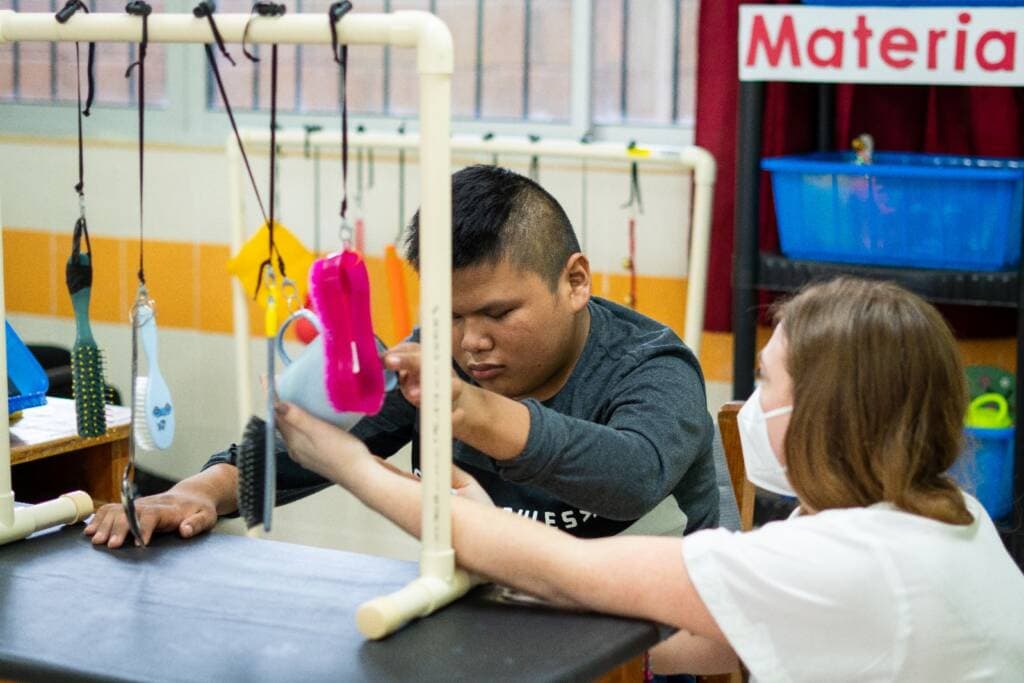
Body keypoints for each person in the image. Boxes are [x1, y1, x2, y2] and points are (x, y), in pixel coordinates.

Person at [274, 277, 1024, 680]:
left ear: (828, 412)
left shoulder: (846, 560)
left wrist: (338, 458)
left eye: (766, 385)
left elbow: (574, 567)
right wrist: (506, 575)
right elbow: (716, 642)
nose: (748, 407)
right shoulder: (943, 511)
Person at [86, 164, 719, 548]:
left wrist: (472, 412)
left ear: (575, 281)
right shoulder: (435, 359)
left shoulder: (652, 367)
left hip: (651, 637)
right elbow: (310, 446)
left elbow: (632, 475)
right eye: (450, 316)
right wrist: (198, 493)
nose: (470, 342)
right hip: (504, 620)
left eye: (499, 314)